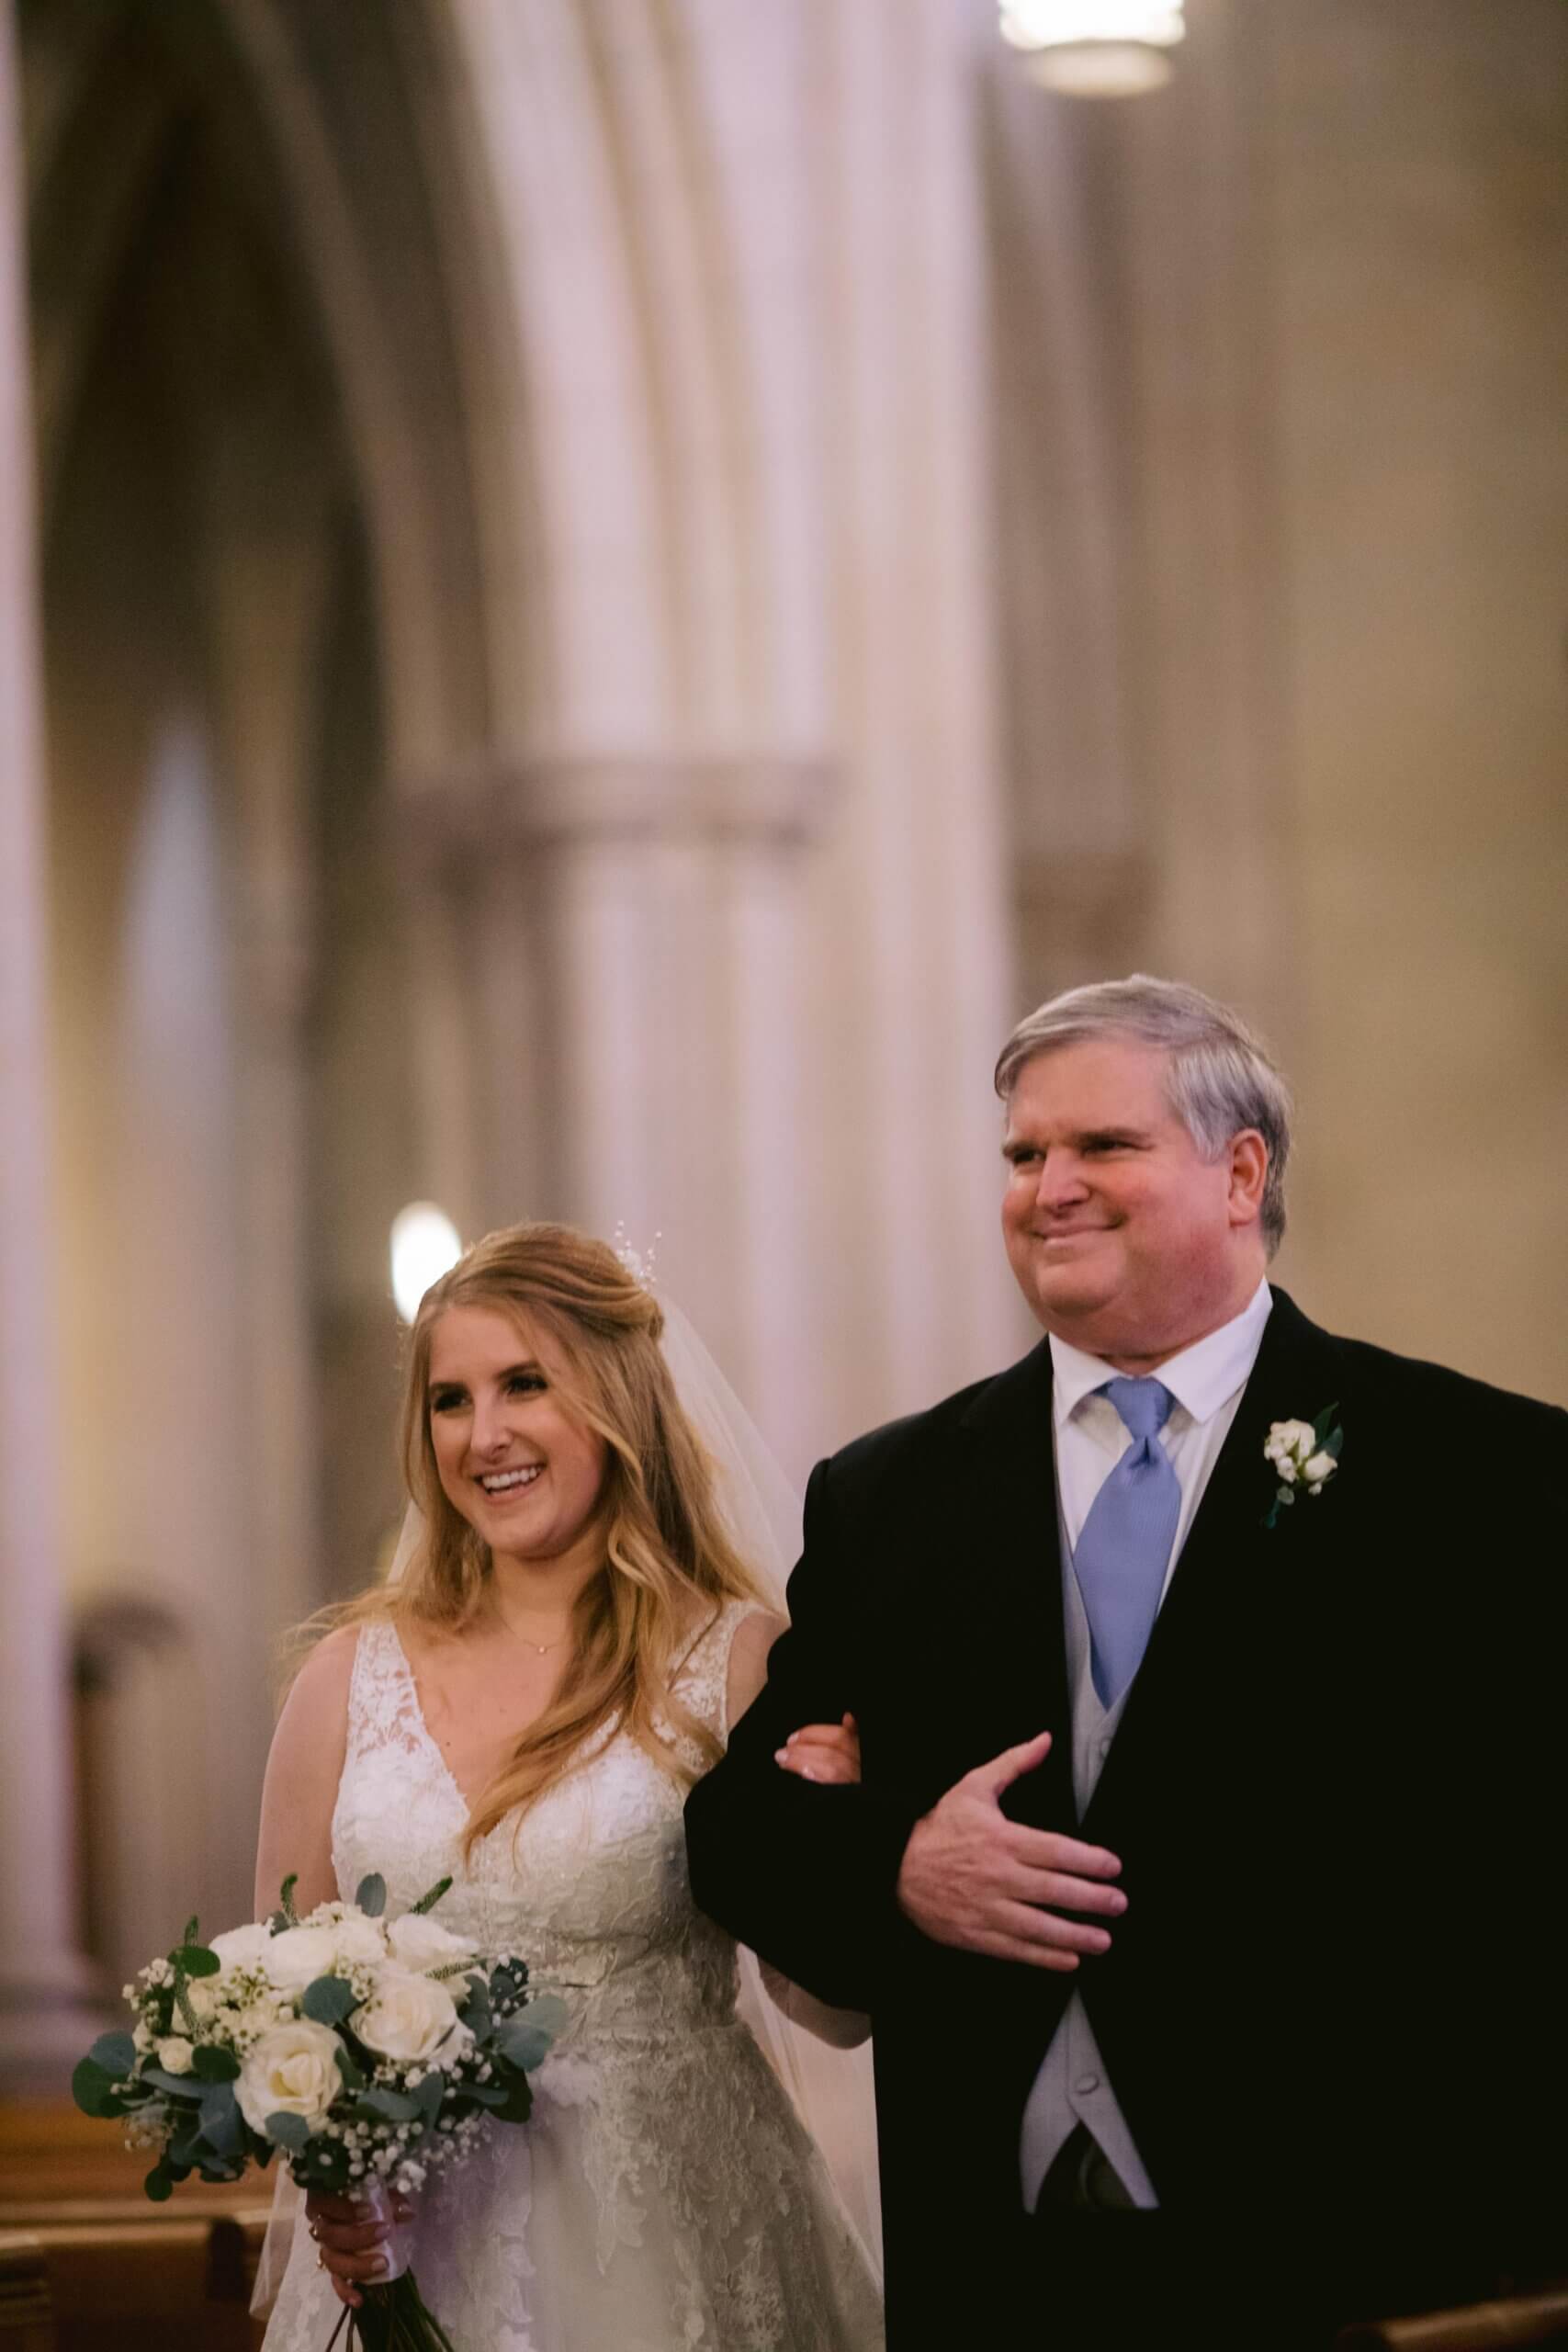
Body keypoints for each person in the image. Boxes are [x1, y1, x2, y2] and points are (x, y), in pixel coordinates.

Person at [685, 974, 1568, 2350]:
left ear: (1239, 1173)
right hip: (998, 2261)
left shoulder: (1478, 1473)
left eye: (1099, 1147)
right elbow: (734, 1829)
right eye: (1022, 1154)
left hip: (1349, 2250)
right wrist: (896, 1868)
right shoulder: (890, 1494)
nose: (1048, 1186)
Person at [254, 1221, 883, 2352]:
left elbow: (831, 2006)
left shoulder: (737, 1664)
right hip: (419, 2246)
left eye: (525, 1384)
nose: (483, 1434)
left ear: (619, 1400)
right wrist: (336, 2184)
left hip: (674, 2234)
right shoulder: (347, 1677)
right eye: (450, 1399)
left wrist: (846, 1837)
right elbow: (272, 2000)